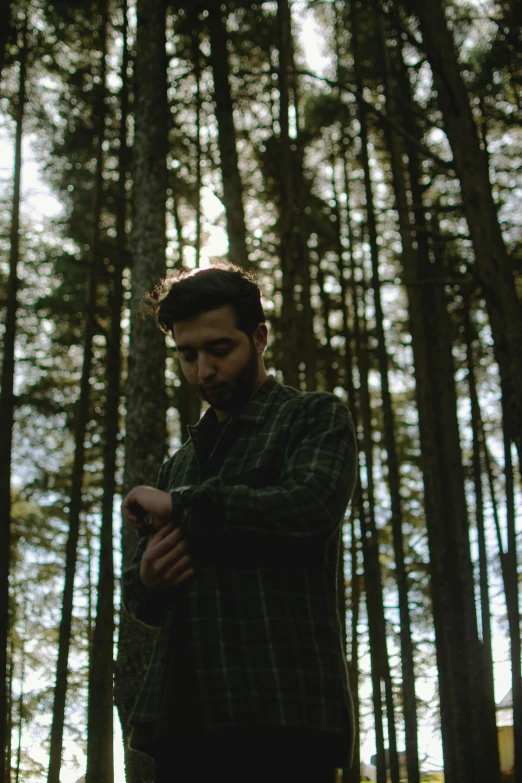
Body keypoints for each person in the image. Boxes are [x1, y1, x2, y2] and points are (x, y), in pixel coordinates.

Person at [121, 262, 357, 783]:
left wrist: (182, 507)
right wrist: (147, 581)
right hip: (180, 723)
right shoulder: (180, 463)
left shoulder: (313, 417)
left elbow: (308, 505)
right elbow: (140, 595)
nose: (203, 370)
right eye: (188, 355)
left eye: (219, 349)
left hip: (282, 713)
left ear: (259, 336)